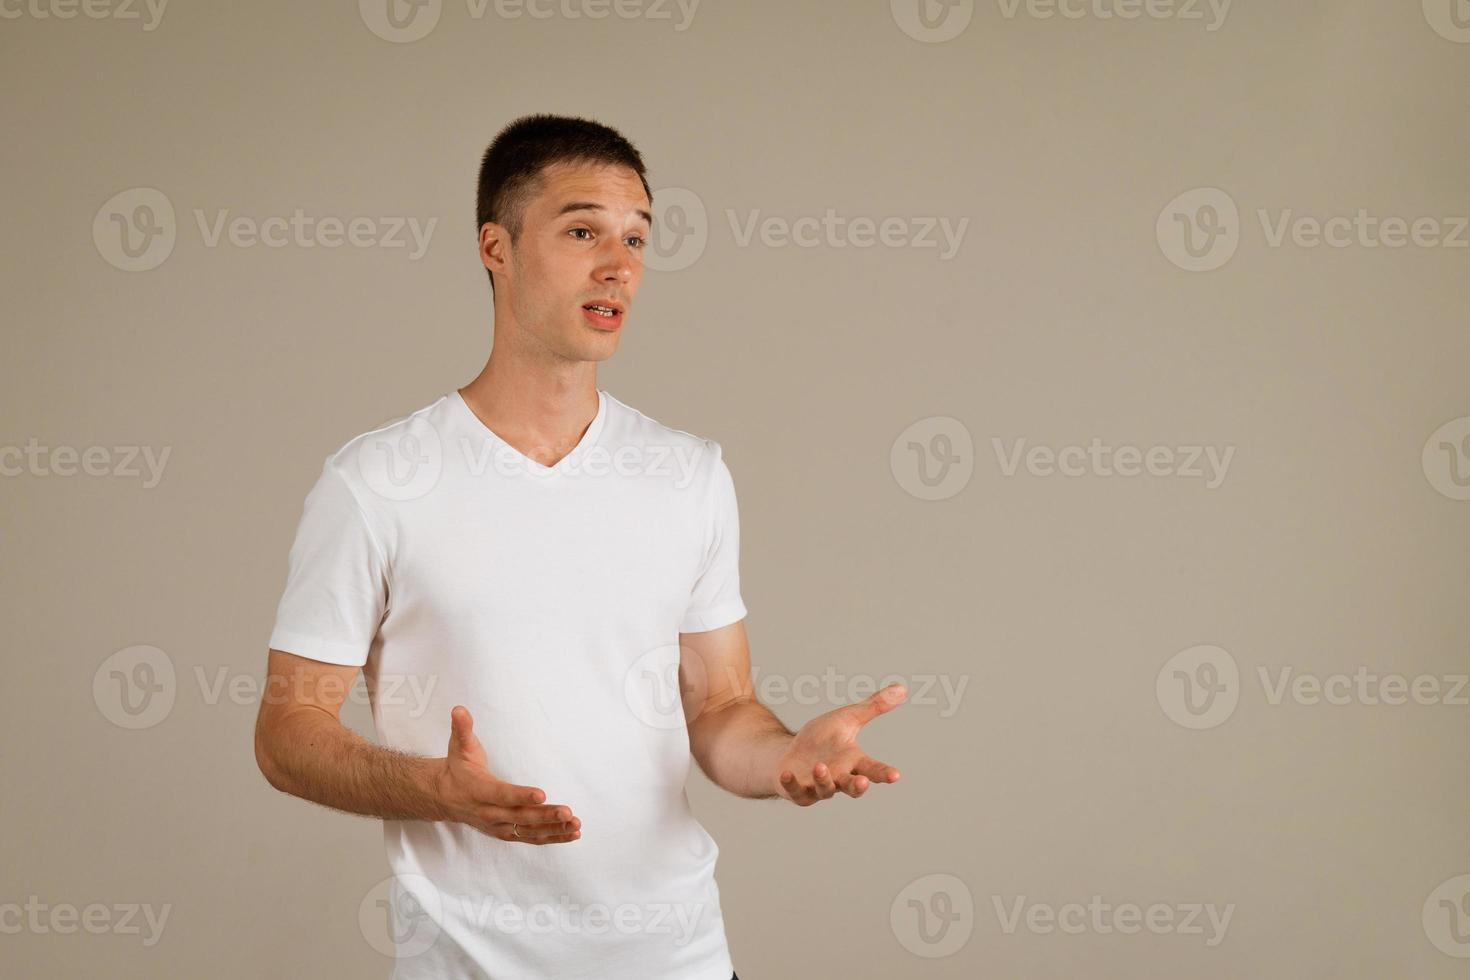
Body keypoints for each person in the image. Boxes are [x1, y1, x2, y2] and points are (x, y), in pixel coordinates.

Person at [253, 113, 906, 980]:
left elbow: (719, 712)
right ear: (497, 246)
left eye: (637, 238)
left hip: (677, 959)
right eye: (582, 230)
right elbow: (286, 730)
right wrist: (433, 791)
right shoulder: (376, 482)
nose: (619, 264)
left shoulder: (689, 475)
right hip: (469, 964)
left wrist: (785, 757)